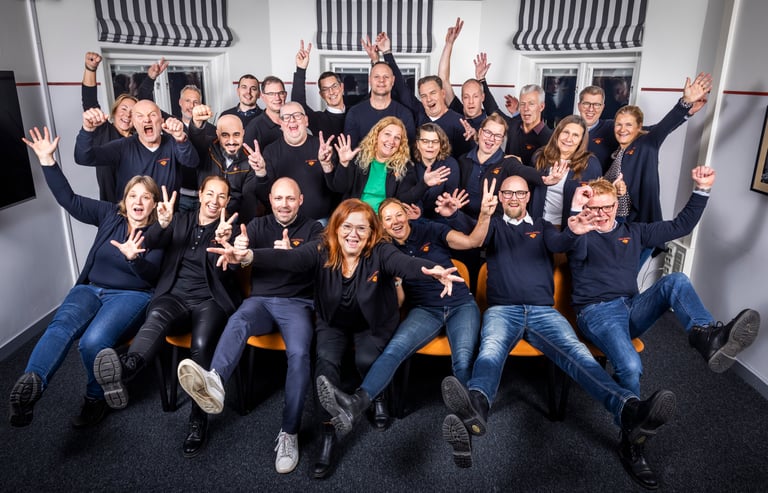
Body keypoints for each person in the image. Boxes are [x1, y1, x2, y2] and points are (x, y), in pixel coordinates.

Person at [427, 175, 675, 491]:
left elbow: (560, 244)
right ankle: (476, 406)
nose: (514, 197)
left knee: (578, 355)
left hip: (543, 312)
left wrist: (574, 228)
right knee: (489, 350)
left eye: (520, 192)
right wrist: (453, 215)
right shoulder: (492, 224)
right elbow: (472, 235)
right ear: (501, 197)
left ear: (528, 196)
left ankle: (629, 408)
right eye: (508, 193)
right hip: (503, 310)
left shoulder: (543, 226)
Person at [205, 198, 463, 479]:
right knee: (325, 373)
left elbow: (405, 263)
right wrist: (248, 257)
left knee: (366, 359)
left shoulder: (380, 250)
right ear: (336, 227)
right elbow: (291, 259)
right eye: (347, 227)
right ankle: (327, 440)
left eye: (362, 228)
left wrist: (429, 271)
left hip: (371, 323)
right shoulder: (322, 248)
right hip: (333, 323)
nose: (354, 234)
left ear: (371, 233)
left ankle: (375, 397)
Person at [565, 169, 760, 488]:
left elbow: (681, 226)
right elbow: (571, 241)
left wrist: (702, 189)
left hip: (631, 306)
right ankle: (631, 439)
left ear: (616, 205)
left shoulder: (634, 231)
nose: (601, 214)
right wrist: (576, 213)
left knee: (676, 280)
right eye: (594, 208)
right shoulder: (580, 234)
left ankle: (707, 336)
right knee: (630, 365)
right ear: (586, 208)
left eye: (607, 207)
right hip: (597, 313)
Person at [315, 179, 497, 437]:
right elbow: (399, 302)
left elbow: (472, 242)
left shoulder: (430, 228)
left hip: (460, 304)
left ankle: (470, 416)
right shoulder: (384, 251)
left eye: (398, 214)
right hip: (425, 310)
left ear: (408, 214)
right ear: (382, 226)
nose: (395, 221)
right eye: (388, 219)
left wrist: (485, 215)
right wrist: (397, 282)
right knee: (394, 350)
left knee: (464, 358)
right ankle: (356, 403)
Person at [10, 127, 162, 429]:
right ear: (125, 199)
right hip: (90, 289)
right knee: (60, 326)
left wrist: (134, 259)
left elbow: (153, 275)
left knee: (92, 341)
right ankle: (31, 386)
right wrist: (47, 161)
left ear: (154, 204)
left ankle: (95, 398)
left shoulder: (160, 231)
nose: (138, 201)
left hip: (131, 295)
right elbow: (69, 199)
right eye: (133, 195)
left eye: (146, 197)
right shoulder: (110, 215)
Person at [175, 177, 323, 474]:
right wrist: (234, 252)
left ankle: (289, 432)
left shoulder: (315, 230)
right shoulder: (255, 226)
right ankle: (216, 381)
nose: (284, 204)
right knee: (239, 319)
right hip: (261, 301)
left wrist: (268, 255)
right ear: (270, 200)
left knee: (299, 354)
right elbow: (233, 262)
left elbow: (304, 260)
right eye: (278, 198)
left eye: (290, 199)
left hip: (297, 304)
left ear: (300, 200)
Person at [93, 176, 240, 458]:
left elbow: (231, 269)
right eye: (210, 193)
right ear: (200, 194)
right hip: (174, 296)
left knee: (201, 344)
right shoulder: (178, 219)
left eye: (221, 196)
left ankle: (198, 418)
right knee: (157, 316)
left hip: (209, 300)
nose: (214, 201)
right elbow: (151, 241)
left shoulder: (229, 229)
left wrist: (227, 245)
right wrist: (161, 224)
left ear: (227, 202)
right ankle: (128, 368)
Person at [602, 73, 712, 227]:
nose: (622, 129)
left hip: (636, 222)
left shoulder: (646, 144)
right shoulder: (617, 151)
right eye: (618, 124)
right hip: (613, 219)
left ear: (639, 127)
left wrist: (685, 103)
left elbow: (663, 127)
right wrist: (687, 113)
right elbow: (660, 127)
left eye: (628, 125)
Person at [368, 32, 475, 159]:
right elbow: (401, 88)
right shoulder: (418, 113)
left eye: (433, 93)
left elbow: (466, 159)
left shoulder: (459, 122)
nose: (428, 99)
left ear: (442, 93)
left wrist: (474, 138)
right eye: (423, 95)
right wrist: (386, 52)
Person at [74, 99, 200, 199]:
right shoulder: (122, 146)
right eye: (140, 116)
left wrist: (180, 137)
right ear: (134, 123)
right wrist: (87, 130)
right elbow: (83, 158)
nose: (147, 119)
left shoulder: (173, 143)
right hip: (131, 221)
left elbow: (192, 162)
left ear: (162, 120)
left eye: (152, 115)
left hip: (167, 220)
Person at [330, 116, 449, 213]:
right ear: (376, 135)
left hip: (384, 221)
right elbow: (340, 188)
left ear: (400, 144)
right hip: (354, 215)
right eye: (387, 134)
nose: (391, 141)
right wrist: (343, 163)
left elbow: (403, 200)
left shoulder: (405, 167)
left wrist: (424, 184)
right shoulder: (358, 158)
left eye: (397, 138)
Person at [248, 101, 339, 222]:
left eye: (297, 115)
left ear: (306, 121)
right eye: (286, 117)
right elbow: (264, 196)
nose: (292, 120)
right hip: (283, 222)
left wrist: (327, 165)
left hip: (320, 221)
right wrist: (260, 173)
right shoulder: (270, 151)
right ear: (280, 123)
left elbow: (337, 188)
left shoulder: (323, 148)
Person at [187, 105, 261, 223]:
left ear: (243, 133)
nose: (231, 141)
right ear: (217, 133)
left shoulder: (251, 159)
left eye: (236, 135)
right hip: (203, 215)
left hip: (232, 219)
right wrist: (196, 123)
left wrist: (240, 228)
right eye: (225, 135)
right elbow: (196, 139)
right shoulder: (206, 147)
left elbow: (248, 200)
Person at [81, 51, 138, 202]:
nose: (127, 115)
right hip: (112, 207)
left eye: (133, 112)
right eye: (123, 109)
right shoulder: (104, 131)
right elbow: (89, 100)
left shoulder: (138, 140)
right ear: (114, 111)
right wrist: (90, 69)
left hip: (139, 206)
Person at [530, 115, 603, 228]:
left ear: (581, 140)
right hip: (537, 224)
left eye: (575, 135)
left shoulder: (590, 164)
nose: (569, 139)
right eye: (565, 132)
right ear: (557, 133)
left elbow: (596, 200)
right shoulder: (540, 156)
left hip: (569, 227)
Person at [436, 18, 507, 130]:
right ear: (462, 99)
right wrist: (449, 43)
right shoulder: (457, 112)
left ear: (482, 97)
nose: (471, 102)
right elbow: (443, 79)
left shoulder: (490, 124)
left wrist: (481, 79)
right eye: (466, 97)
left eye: (475, 96)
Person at [342, 56, 416, 148]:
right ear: (369, 80)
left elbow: (407, 150)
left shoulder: (404, 114)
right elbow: (351, 150)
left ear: (393, 81)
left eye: (386, 77)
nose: (381, 80)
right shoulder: (354, 113)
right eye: (376, 77)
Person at [291, 40, 347, 137]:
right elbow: (297, 104)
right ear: (321, 94)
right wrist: (301, 69)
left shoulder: (355, 112)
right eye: (325, 89)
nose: (331, 92)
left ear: (342, 87)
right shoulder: (318, 119)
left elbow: (374, 96)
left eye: (334, 86)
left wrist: (376, 59)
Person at [412, 123, 460, 220]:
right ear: (417, 144)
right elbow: (411, 195)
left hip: (441, 217)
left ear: (441, 145)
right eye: (425, 141)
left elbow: (449, 198)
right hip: (415, 216)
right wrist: (419, 210)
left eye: (435, 142)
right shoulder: (410, 163)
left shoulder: (450, 165)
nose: (430, 146)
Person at [503, 84, 554, 167]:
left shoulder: (550, 139)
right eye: (522, 104)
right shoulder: (514, 125)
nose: (526, 108)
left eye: (531, 104)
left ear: (541, 107)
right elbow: (493, 111)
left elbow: (544, 173)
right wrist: (482, 80)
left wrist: (520, 166)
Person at [243, 76, 288, 150]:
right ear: (262, 96)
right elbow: (247, 156)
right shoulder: (254, 128)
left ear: (285, 95)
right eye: (271, 94)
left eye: (280, 93)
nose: (277, 98)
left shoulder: (292, 121)